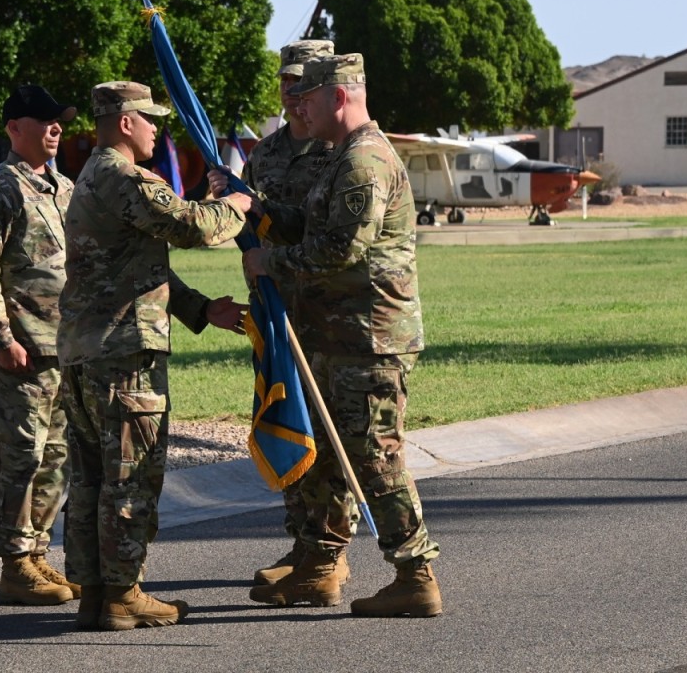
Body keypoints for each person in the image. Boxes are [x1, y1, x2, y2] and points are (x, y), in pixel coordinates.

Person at [218, 54, 443, 617]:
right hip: (333, 333)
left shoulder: (364, 161)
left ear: (338, 97)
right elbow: (314, 225)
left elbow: (341, 249)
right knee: (327, 455)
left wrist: (270, 261)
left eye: (309, 98)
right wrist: (258, 210)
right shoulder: (343, 156)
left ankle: (415, 574)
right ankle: (319, 566)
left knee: (375, 457)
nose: (299, 108)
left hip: (368, 338)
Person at [58, 81, 252, 631]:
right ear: (124, 121)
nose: (155, 129)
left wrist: (196, 308)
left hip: (85, 351)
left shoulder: (89, 178)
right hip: (122, 353)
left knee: (93, 477)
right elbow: (189, 226)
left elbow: (133, 264)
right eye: (149, 119)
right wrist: (236, 203)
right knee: (131, 475)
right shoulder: (125, 178)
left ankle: (96, 592)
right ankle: (124, 593)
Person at [0, 84, 83, 606]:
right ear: (14, 128)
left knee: (56, 457)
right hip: (20, 353)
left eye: (60, 121)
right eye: (45, 120)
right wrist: (1, 335)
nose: (56, 129)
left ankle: (35, 554)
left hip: (64, 351)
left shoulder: (64, 189)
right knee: (18, 456)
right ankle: (13, 562)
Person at [240, 39, 359, 589]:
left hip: (332, 313)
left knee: (330, 436)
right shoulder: (264, 155)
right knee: (292, 420)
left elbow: (339, 240)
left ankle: (330, 551)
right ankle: (304, 543)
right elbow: (262, 225)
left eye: (302, 84)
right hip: (281, 309)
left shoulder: (345, 151)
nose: (292, 94)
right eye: (286, 82)